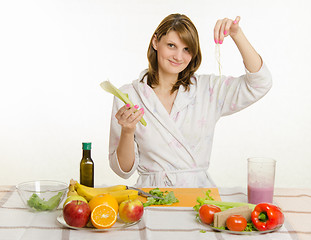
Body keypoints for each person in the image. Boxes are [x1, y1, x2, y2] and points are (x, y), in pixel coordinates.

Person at [108, 14, 272, 187]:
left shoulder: (207, 90)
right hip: (151, 198)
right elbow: (122, 171)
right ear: (156, 42)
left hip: (198, 197)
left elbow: (261, 83)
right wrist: (127, 131)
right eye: (172, 45)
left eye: (187, 49)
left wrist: (237, 34)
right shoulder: (129, 96)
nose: (178, 57)